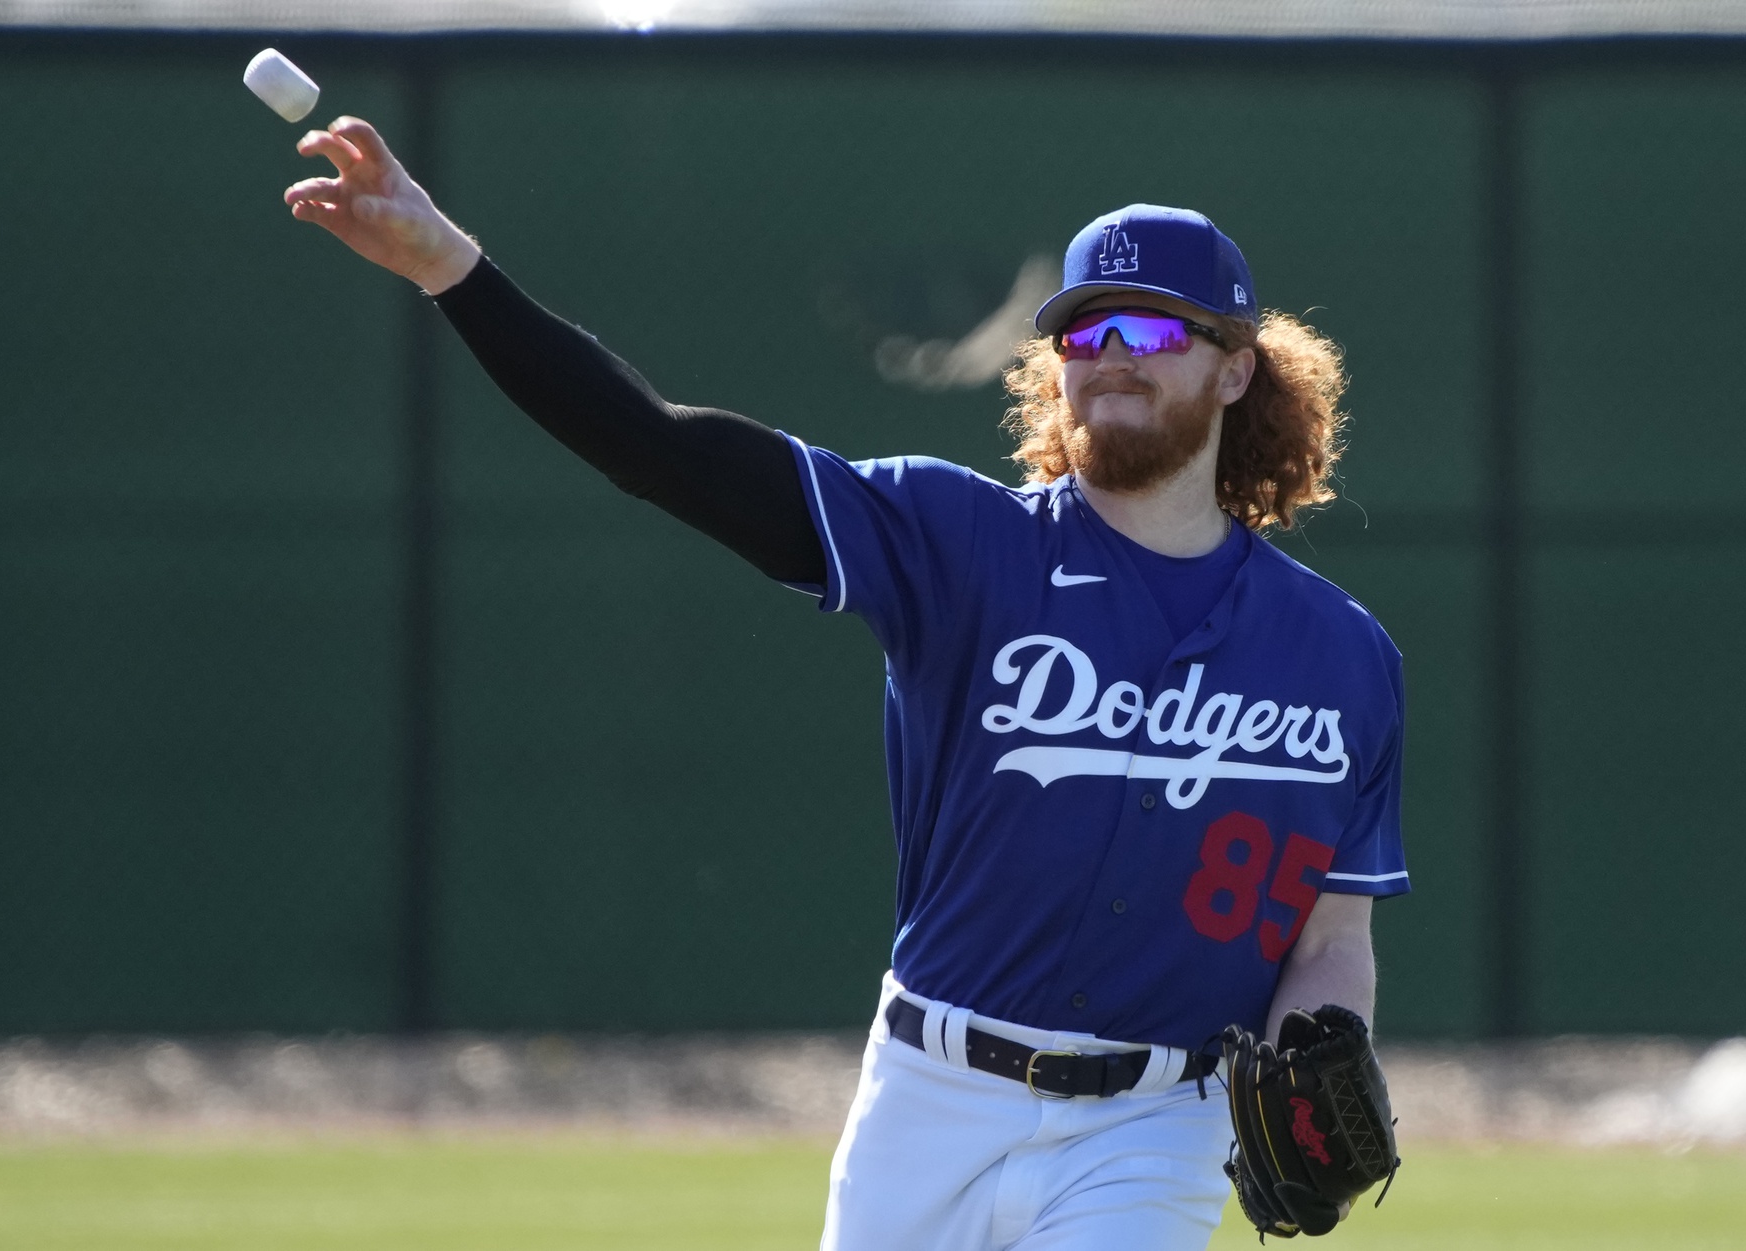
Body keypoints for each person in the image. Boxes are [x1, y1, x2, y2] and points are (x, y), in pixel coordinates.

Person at [286, 116, 1408, 1251]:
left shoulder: (1341, 654)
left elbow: (1328, 938)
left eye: (1152, 325)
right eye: (1081, 329)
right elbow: (656, 449)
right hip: (929, 1104)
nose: (1109, 351)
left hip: (1154, 1130)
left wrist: (1324, 1059)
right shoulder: (953, 541)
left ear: (1234, 366)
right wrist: (449, 270)